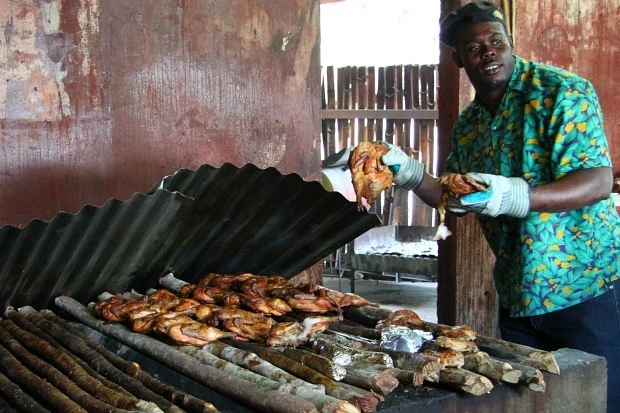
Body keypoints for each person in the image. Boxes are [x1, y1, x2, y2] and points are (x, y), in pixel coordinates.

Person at [379, 1, 620, 410]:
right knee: (529, 402)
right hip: (517, 292)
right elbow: (454, 196)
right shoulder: (472, 123)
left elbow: (596, 182)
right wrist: (412, 175)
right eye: (473, 48)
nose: (488, 52)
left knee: (598, 399)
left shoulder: (561, 91)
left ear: (510, 44)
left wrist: (516, 195)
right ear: (459, 59)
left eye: (496, 42)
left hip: (585, 288)